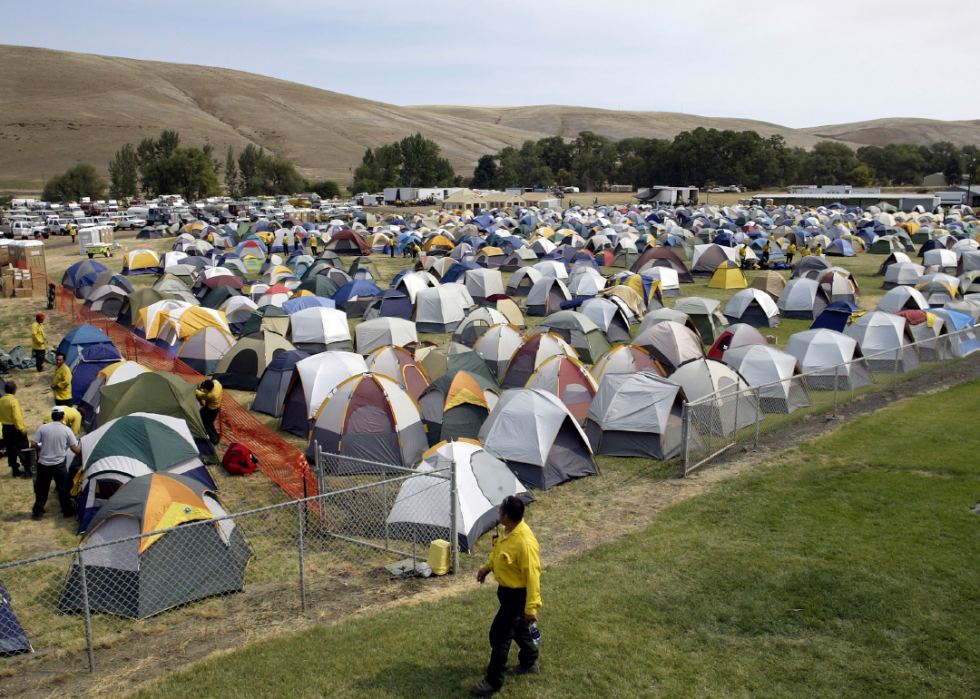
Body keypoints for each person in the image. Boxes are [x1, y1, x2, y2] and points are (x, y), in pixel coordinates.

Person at [472, 496, 541, 697]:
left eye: (500, 510)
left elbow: (533, 577)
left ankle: (493, 681)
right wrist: (487, 568)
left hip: (517, 596)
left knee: (499, 635)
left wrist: (531, 608)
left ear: (506, 515)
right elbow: (498, 552)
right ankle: (530, 661)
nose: (498, 512)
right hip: (506, 593)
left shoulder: (525, 543)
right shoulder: (506, 531)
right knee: (518, 628)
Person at [30, 408, 80, 520]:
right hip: (59, 464)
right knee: (63, 488)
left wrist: (40, 448)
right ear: (63, 416)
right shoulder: (66, 430)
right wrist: (82, 454)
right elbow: (73, 447)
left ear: (52, 416)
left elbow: (33, 443)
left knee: (42, 489)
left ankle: (37, 512)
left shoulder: (43, 428)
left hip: (44, 464)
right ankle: (66, 511)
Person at [0, 382, 30, 478]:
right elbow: (17, 417)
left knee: (10, 449)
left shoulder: (1, 400)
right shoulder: (13, 401)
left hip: (5, 427)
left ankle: (14, 469)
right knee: (23, 448)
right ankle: (27, 470)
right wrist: (21, 429)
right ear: (14, 390)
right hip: (14, 428)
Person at [196, 379, 223, 445]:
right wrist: (201, 386)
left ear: (209, 388)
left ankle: (213, 440)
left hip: (211, 410)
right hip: (216, 408)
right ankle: (217, 436)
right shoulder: (217, 383)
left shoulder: (212, 395)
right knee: (210, 423)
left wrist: (195, 389)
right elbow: (206, 389)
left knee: (206, 424)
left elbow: (201, 395)